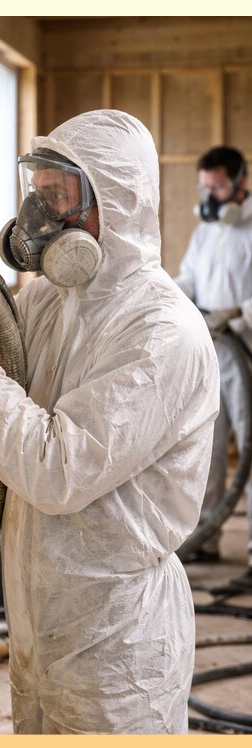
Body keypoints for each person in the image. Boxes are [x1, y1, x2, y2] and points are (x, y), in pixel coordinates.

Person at [0, 109, 220, 734]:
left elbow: (58, 469)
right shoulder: (52, 298)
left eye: (58, 197)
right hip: (41, 623)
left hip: (118, 647)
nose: (36, 218)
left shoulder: (161, 332)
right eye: (35, 192)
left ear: (115, 205)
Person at [174, 146, 252, 586]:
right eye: (206, 187)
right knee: (208, 445)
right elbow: (189, 278)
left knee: (251, 451)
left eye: (219, 186)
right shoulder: (205, 231)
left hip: (247, 352)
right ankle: (205, 536)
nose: (211, 196)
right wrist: (169, 293)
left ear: (241, 182)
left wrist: (239, 311)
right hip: (211, 352)